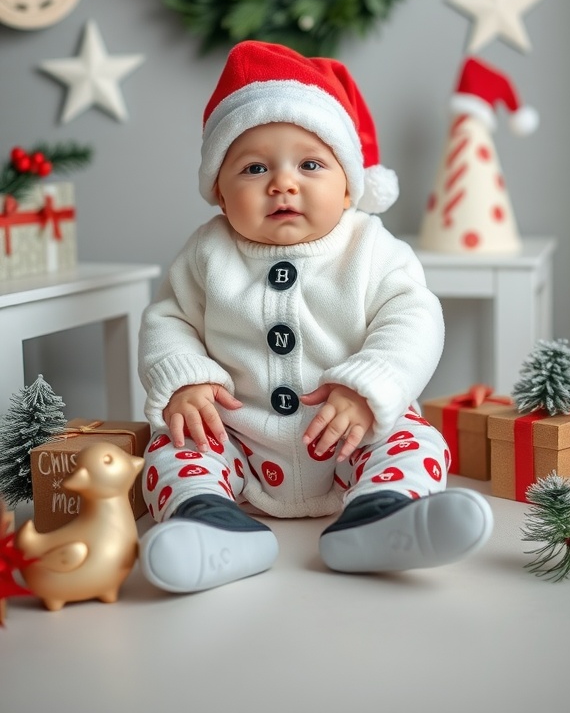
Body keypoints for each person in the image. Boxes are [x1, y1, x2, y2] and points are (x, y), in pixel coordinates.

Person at [138, 41, 493, 593]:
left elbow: (414, 318)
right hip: (238, 438)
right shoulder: (207, 252)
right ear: (219, 193)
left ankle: (381, 515)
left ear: (349, 183)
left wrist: (370, 386)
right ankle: (209, 524)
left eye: (310, 164)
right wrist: (186, 381)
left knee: (414, 439)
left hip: (352, 434)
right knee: (174, 451)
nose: (283, 183)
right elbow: (169, 320)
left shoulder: (372, 248)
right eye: (254, 167)